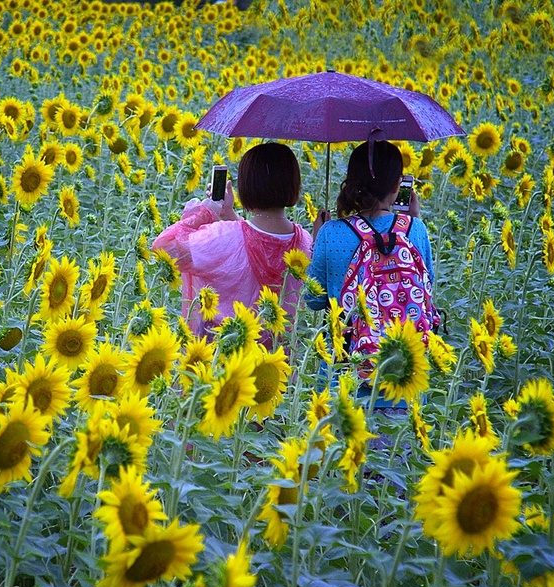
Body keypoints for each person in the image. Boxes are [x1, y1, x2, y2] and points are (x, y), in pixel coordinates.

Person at [306, 140, 436, 409]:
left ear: (352, 182)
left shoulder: (331, 233)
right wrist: (414, 219)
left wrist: (318, 240)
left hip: (344, 376)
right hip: (402, 375)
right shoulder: (416, 230)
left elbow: (313, 298)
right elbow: (427, 289)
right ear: (397, 186)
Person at [152, 142, 313, 345]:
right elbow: (259, 242)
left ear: (247, 186)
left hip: (223, 362)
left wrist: (207, 212)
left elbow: (164, 248)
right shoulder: (305, 242)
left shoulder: (223, 237)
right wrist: (229, 215)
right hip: (275, 367)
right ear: (294, 184)